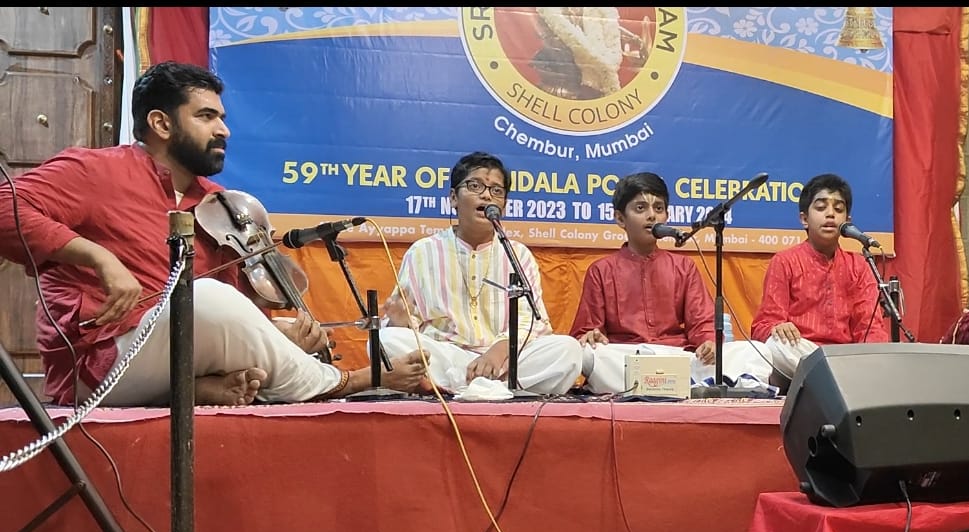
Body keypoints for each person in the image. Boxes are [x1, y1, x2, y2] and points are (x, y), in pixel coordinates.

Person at [0, 61, 431, 407]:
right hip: (97, 364)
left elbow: (233, 312)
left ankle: (198, 387)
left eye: (222, 117)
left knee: (225, 306)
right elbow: (5, 208)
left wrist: (274, 331)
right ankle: (345, 381)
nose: (223, 129)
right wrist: (100, 258)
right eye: (206, 116)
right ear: (161, 124)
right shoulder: (96, 170)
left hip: (175, 350)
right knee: (203, 297)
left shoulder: (220, 204)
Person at [379, 151, 582, 396]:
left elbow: (533, 322)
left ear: (504, 205)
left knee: (568, 349)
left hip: (505, 362)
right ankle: (485, 388)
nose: (486, 195)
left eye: (496, 190)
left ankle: (463, 389)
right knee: (385, 340)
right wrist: (400, 322)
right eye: (475, 186)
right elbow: (406, 321)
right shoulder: (423, 252)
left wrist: (498, 351)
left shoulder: (518, 253)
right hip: (447, 356)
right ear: (454, 198)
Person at [569, 171, 772, 394]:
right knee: (591, 354)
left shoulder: (683, 267)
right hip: (627, 357)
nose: (651, 216)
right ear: (620, 219)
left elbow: (702, 320)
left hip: (677, 357)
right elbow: (587, 331)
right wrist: (592, 336)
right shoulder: (601, 270)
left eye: (658, 208)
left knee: (753, 350)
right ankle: (687, 386)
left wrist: (708, 343)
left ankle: (671, 385)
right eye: (640, 208)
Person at [750, 173, 889, 387]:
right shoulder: (785, 261)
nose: (830, 215)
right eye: (821, 208)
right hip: (799, 356)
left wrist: (872, 360)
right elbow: (763, 326)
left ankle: (834, 378)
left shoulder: (860, 266)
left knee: (880, 352)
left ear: (847, 222)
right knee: (767, 347)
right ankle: (834, 380)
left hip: (844, 359)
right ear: (804, 219)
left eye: (838, 209)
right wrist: (777, 327)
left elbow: (870, 329)